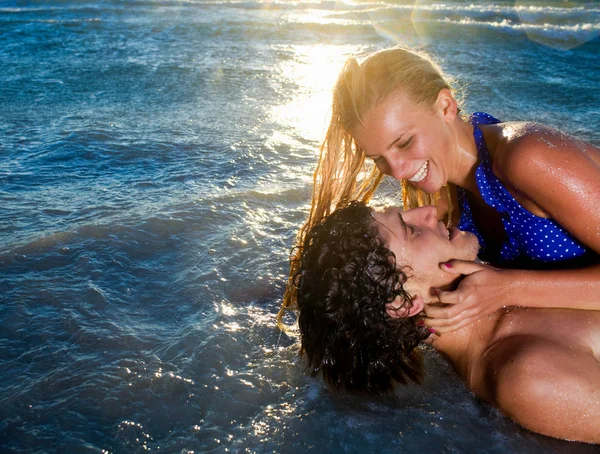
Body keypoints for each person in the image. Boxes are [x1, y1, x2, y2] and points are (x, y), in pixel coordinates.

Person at [278, 46, 600, 334]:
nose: (399, 171)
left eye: (405, 143)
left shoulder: (527, 158)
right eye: (378, 159)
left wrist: (509, 288)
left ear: (446, 106)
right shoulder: (443, 196)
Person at [293, 201, 600, 444]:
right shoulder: (526, 377)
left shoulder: (503, 280)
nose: (427, 211)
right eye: (411, 231)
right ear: (402, 303)